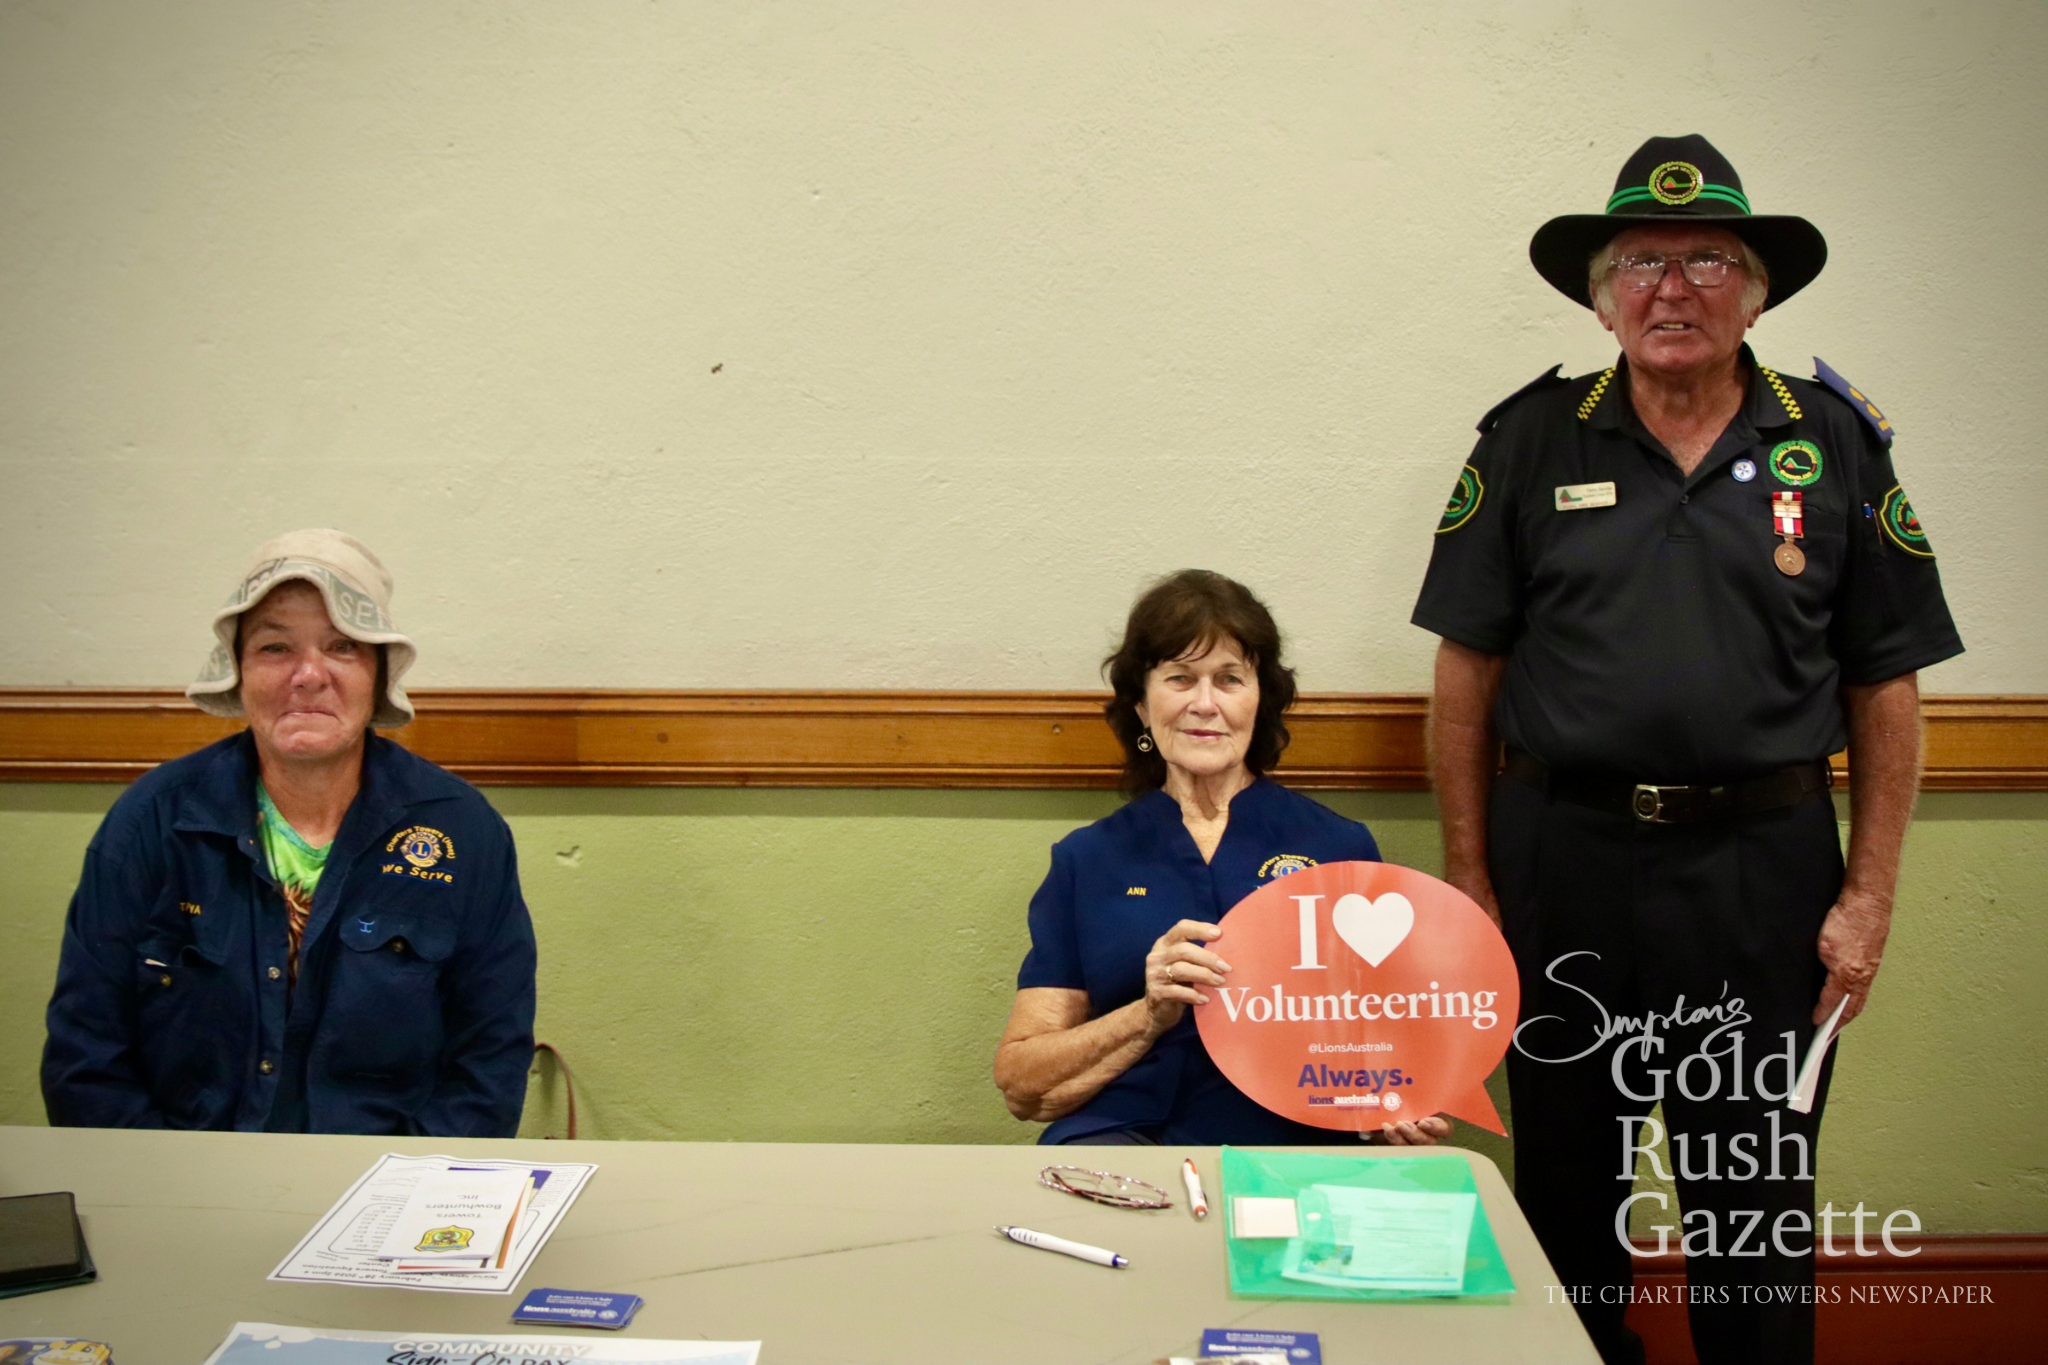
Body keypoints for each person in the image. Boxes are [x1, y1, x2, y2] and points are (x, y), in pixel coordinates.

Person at [1412, 136, 1962, 1365]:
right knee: (1565, 1197)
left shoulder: (1832, 442)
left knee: (1751, 1205)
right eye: (1640, 261)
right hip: (1565, 868)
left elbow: (1884, 679)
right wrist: (1468, 875)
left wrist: (1866, 893)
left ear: (1755, 289)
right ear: (1599, 296)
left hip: (1760, 875)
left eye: (1706, 257)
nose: (1672, 286)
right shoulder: (1528, 439)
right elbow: (1465, 670)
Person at [42, 529, 537, 1136]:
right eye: (276, 647)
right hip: (184, 1192)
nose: (308, 674)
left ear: (379, 674)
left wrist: (399, 1202)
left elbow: (489, 1063)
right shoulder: (151, 821)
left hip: (392, 1194)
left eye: (342, 646)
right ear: (238, 671)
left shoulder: (463, 832)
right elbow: (85, 1057)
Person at [995, 569, 1452, 1146]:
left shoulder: (1340, 848)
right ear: (1141, 702)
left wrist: (1403, 1106)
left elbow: (1395, 1037)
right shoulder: (1087, 860)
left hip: (1296, 1135)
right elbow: (1021, 1086)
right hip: (1128, 1135)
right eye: (1180, 679)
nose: (1204, 704)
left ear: (1261, 700)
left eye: (1230, 679)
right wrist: (1148, 1014)